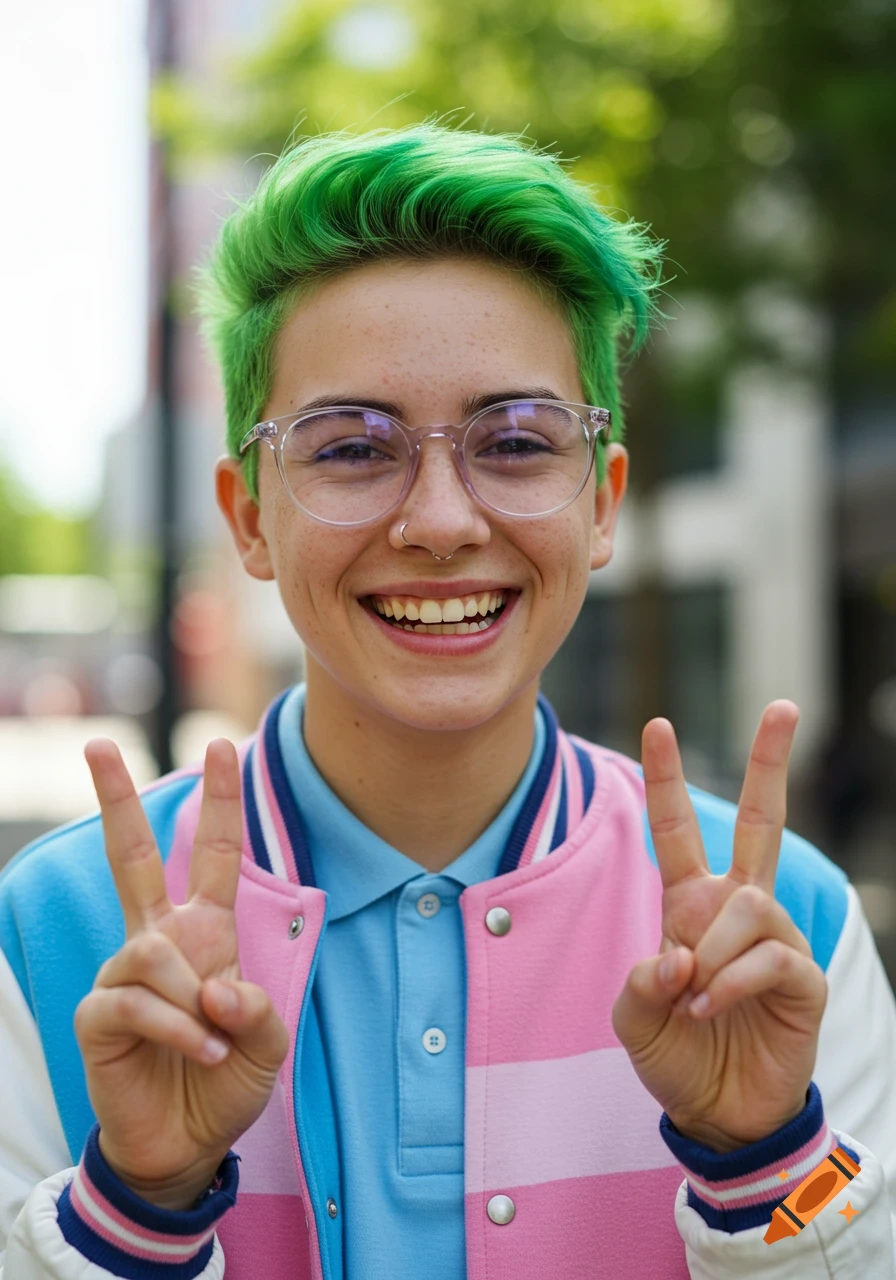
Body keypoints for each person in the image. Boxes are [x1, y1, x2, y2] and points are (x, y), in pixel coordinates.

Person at [1, 122, 894, 1280]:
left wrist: (766, 1158)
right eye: (350, 449)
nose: (439, 520)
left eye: (516, 440)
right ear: (248, 516)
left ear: (601, 499)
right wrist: (141, 1201)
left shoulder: (780, 927)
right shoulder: (53, 930)